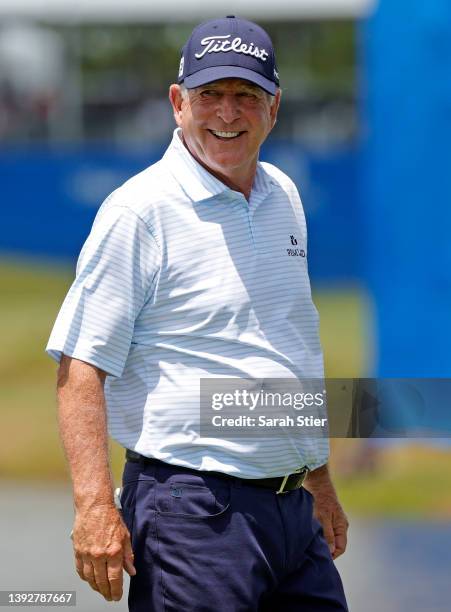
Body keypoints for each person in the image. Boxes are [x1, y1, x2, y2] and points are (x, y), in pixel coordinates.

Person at [47, 15, 349, 611]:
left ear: (275, 107)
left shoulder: (284, 196)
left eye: (246, 95)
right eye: (210, 95)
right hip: (192, 513)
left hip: (291, 511)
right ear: (178, 102)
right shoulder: (139, 210)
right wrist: (93, 508)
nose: (227, 114)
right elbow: (80, 369)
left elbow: (288, 345)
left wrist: (315, 478)